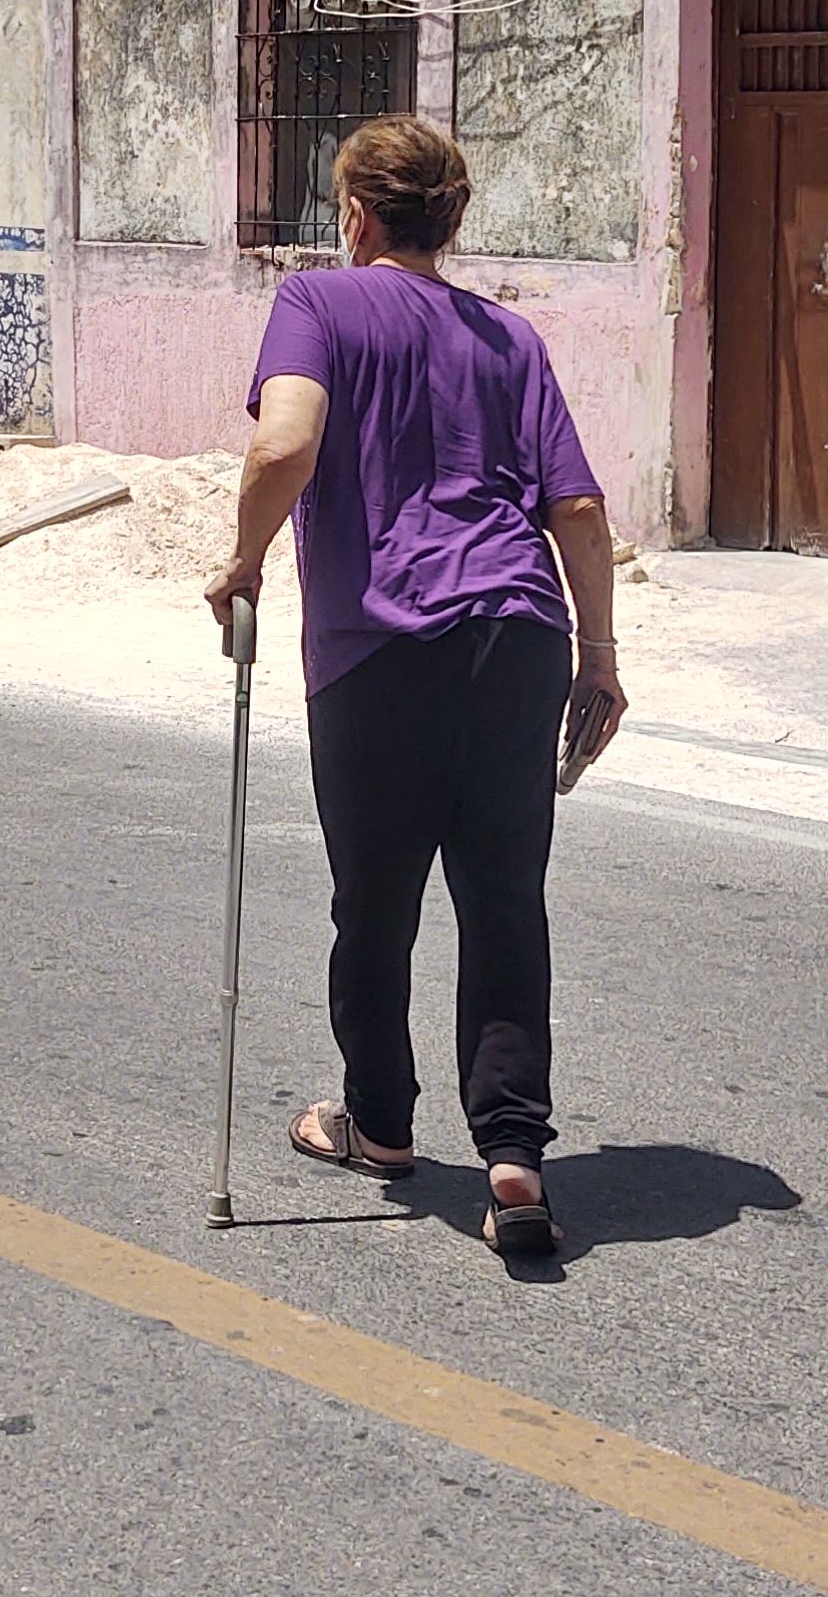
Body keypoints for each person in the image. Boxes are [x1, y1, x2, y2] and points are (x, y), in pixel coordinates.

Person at [202, 114, 629, 1258]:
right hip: (519, 636)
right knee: (502, 898)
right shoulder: (508, 339)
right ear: (450, 218)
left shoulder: (317, 305)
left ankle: (380, 1128)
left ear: (355, 211)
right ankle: (513, 1158)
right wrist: (600, 657)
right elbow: (576, 511)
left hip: (378, 647)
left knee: (374, 902)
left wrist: (242, 562)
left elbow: (282, 447)